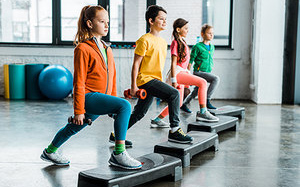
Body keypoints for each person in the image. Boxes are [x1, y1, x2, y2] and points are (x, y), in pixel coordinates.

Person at [40, 5, 142, 170]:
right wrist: (79, 111)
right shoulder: (83, 48)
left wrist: (112, 101)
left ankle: (50, 151)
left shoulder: (107, 48)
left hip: (99, 98)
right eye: (102, 21)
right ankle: (118, 153)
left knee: (73, 128)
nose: (106, 25)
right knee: (125, 105)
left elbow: (112, 77)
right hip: (88, 96)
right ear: (89, 23)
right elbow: (78, 82)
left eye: (108, 22)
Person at [109, 5, 193, 145]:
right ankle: (174, 130)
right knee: (174, 94)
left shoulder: (162, 41)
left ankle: (116, 134)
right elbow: (136, 64)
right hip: (145, 80)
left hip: (154, 80)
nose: (165, 22)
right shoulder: (144, 40)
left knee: (139, 113)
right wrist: (134, 86)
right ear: (151, 21)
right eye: (161, 19)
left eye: (165, 19)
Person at [151, 18, 219, 127]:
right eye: (185, 28)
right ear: (178, 29)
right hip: (177, 74)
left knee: (178, 103)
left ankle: (156, 120)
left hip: (182, 72)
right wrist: (173, 80)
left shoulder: (183, 41)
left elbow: (184, 63)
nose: (188, 31)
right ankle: (203, 112)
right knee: (203, 83)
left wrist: (187, 74)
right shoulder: (175, 43)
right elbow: (173, 63)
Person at [181, 24, 220, 112]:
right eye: (209, 33)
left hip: (207, 72)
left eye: (212, 33)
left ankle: (184, 104)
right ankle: (207, 100)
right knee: (216, 79)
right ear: (202, 34)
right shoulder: (197, 47)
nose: (211, 35)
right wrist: (187, 72)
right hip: (198, 72)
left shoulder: (212, 47)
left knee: (196, 90)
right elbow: (190, 61)